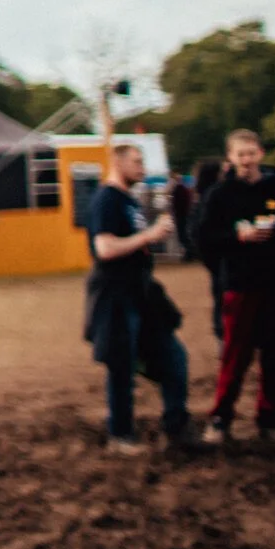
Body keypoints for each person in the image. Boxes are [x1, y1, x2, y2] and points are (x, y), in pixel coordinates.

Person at [83, 143, 191, 455]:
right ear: (118, 164)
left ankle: (177, 428)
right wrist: (149, 235)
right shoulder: (107, 199)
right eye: (137, 161)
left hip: (141, 292)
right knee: (121, 364)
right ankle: (120, 435)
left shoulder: (129, 200)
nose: (143, 167)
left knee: (174, 356)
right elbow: (104, 248)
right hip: (116, 293)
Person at [193, 129, 275, 445]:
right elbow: (203, 239)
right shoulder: (220, 195)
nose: (246, 160)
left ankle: (270, 420)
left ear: (261, 153)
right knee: (235, 355)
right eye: (240, 154)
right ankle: (220, 419)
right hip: (239, 284)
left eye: (251, 153)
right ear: (230, 158)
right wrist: (236, 237)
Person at [190, 157, 227, 340]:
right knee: (224, 303)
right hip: (221, 263)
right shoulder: (210, 201)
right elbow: (201, 236)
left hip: (217, 264)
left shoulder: (202, 200)